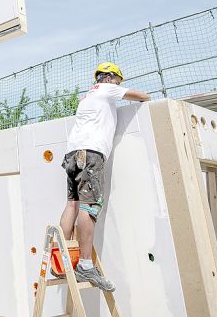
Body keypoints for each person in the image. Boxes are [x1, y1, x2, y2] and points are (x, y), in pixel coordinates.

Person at [56, 62, 150, 291]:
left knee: (72, 204)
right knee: (90, 206)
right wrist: (144, 98)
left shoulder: (87, 96)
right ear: (109, 77)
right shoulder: (106, 89)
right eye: (118, 80)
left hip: (72, 154)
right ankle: (86, 265)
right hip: (91, 154)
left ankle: (61, 262)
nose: (119, 85)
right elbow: (142, 97)